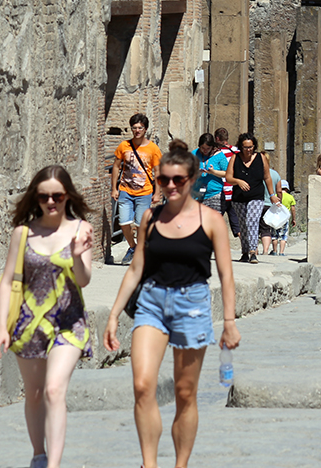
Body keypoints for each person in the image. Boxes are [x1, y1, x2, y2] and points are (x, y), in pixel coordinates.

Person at [104, 140, 240, 468]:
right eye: (164, 179)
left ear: (192, 179)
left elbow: (226, 274)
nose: (170, 186)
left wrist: (229, 322)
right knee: (142, 385)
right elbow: (137, 267)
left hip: (192, 304)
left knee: (184, 393)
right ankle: (148, 464)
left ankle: (181, 464)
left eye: (178, 180)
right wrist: (112, 315)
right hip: (151, 302)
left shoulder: (211, 221)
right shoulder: (151, 217)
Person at [0, 165, 94, 468]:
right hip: (29, 324)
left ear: (67, 196)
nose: (51, 202)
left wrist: (77, 254)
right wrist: (1, 328)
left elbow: (84, 279)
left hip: (69, 322)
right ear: (35, 198)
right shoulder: (22, 233)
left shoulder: (81, 229)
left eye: (57, 196)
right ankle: (39, 454)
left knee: (53, 389)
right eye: (44, 196)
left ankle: (54, 465)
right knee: (34, 394)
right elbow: (9, 281)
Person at [111, 113, 162, 264]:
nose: (137, 130)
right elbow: (115, 167)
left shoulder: (153, 148)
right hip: (125, 189)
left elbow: (158, 172)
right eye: (134, 128)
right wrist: (114, 188)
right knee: (124, 223)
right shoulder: (124, 146)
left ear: (145, 129)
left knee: (140, 225)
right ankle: (133, 247)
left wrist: (157, 192)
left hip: (144, 191)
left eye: (140, 128)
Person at [225, 133, 279, 263]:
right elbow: (228, 178)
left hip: (256, 196)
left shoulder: (261, 158)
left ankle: (253, 251)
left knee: (252, 220)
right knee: (243, 224)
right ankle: (245, 251)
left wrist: (272, 195)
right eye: (245, 147)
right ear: (240, 147)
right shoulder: (235, 158)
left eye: (250, 147)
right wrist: (238, 181)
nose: (248, 150)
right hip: (238, 197)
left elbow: (267, 177)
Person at [193, 133, 229, 213]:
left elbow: (227, 173)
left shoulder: (219, 156)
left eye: (208, 148)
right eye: (202, 148)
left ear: (212, 146)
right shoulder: (194, 154)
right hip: (197, 195)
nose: (205, 150)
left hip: (215, 194)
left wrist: (214, 172)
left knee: (213, 224)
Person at [212, 128, 238, 232]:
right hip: (234, 192)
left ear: (217, 138)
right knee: (237, 226)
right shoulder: (236, 151)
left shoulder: (215, 153)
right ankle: (246, 247)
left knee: (214, 224)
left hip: (220, 192)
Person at [259, 152, 281, 257]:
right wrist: (279, 200)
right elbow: (279, 190)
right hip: (270, 204)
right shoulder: (275, 174)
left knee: (253, 227)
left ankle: (254, 249)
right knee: (266, 229)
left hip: (256, 202)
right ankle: (265, 251)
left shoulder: (257, 172)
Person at [273, 180, 296, 256]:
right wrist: (293, 219)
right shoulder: (290, 197)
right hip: (285, 218)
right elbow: (293, 209)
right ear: (287, 188)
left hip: (276, 217)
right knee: (283, 235)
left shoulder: (276, 196)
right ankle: (281, 252)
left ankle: (274, 251)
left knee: (275, 235)